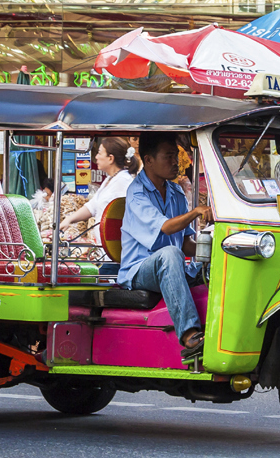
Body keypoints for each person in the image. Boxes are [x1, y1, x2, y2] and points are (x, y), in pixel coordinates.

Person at [119, 134, 211, 358]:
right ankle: (189, 333)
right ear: (149, 160)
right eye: (169, 156)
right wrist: (196, 211)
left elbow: (186, 243)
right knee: (169, 253)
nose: (175, 162)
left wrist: (213, 249)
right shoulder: (136, 193)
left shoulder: (176, 192)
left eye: (176, 156)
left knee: (215, 262)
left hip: (173, 266)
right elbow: (167, 228)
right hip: (139, 270)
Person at [60, 138, 137, 242]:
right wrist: (68, 220)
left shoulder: (122, 182)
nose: (96, 157)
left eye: (99, 153)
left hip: (116, 248)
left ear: (110, 158)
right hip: (103, 247)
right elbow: (92, 206)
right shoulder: (110, 179)